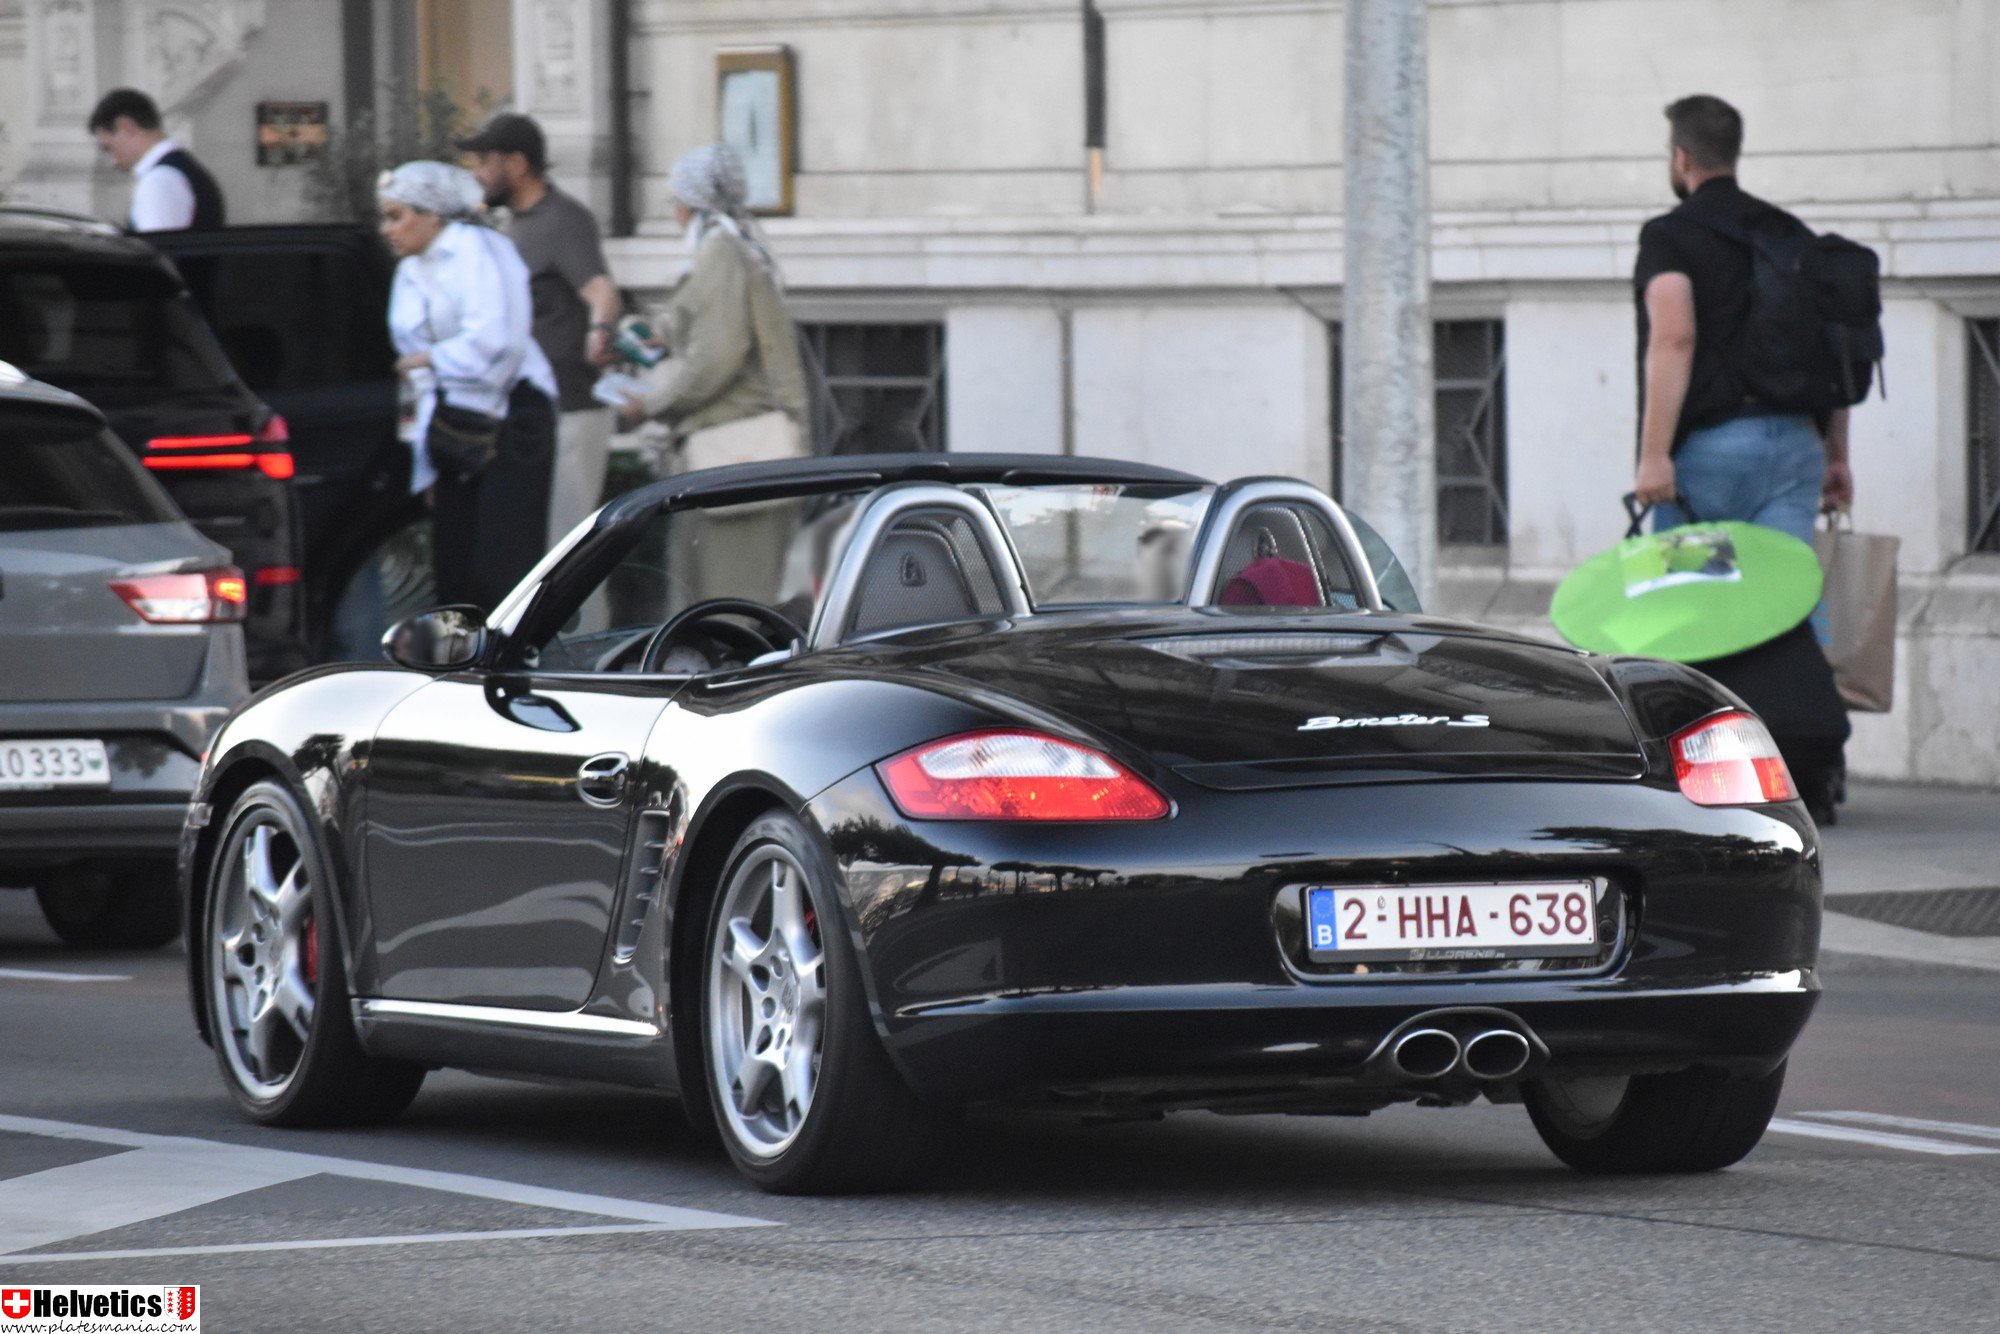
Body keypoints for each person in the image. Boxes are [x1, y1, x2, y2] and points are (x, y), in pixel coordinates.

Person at [1631, 94, 1852, 543]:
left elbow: (1675, 338)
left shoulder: (1669, 237)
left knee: (1693, 602)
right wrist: (1836, 457)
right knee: (1779, 604)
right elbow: (1836, 342)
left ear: (1681, 158)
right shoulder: (1790, 233)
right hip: (1796, 448)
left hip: (1711, 456)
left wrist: (1654, 456)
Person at [619, 144, 810, 601]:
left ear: (690, 204)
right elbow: (714, 327)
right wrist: (663, 336)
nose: (674, 212)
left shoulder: (722, 251)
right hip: (725, 449)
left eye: (675, 201)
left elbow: (715, 358)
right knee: (709, 597)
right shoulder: (727, 249)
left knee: (731, 603)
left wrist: (650, 404)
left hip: (736, 448)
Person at [377, 161, 559, 615]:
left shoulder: (480, 250)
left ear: (433, 214)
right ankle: (458, 668)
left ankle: (511, 668)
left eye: (397, 216)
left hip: (514, 412)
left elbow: (498, 340)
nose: (387, 229)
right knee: (454, 564)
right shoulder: (411, 270)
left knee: (502, 563)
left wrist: (432, 359)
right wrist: (429, 455)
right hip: (453, 416)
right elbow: (411, 361)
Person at [459, 114, 623, 548]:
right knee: (538, 552)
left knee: (569, 548)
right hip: (531, 416)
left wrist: (601, 331)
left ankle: (595, 621)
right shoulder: (513, 224)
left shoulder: (564, 220)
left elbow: (601, 289)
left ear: (516, 164)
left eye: (484, 161)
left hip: (571, 409)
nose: (477, 173)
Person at [86, 88, 225, 232]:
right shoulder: (178, 170)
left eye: (108, 148)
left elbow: (155, 250)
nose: (112, 162)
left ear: (127, 127)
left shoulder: (159, 180)